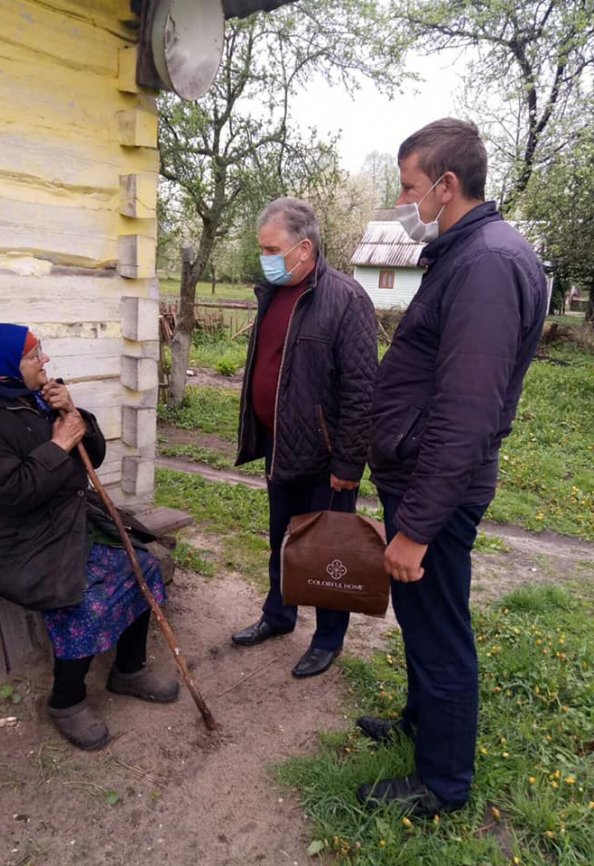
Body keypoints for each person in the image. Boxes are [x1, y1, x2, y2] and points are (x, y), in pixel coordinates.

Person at [356, 119, 547, 816]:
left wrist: (416, 529)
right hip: (416, 479)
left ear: (447, 184)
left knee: (440, 635)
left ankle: (443, 785)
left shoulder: (488, 265)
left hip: (435, 491)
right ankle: (419, 722)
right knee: (423, 618)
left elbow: (466, 412)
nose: (404, 201)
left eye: (410, 187)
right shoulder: (463, 254)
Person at [0, 323, 179, 750]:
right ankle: (67, 701)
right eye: (35, 355)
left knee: (141, 562)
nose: (45, 361)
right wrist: (57, 446)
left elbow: (94, 454)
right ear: (6, 366)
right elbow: (10, 495)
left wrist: (74, 414)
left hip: (64, 525)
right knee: (82, 596)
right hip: (16, 547)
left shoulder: (37, 399)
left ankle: (128, 669)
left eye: (42, 352)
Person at [232, 197, 378, 678]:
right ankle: (278, 616)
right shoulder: (274, 294)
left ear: (304, 248)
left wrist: (348, 467)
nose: (266, 258)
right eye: (262, 249)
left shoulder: (346, 299)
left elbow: (361, 390)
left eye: (272, 249)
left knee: (330, 550)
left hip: (327, 458)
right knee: (284, 541)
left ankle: (328, 639)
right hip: (282, 446)